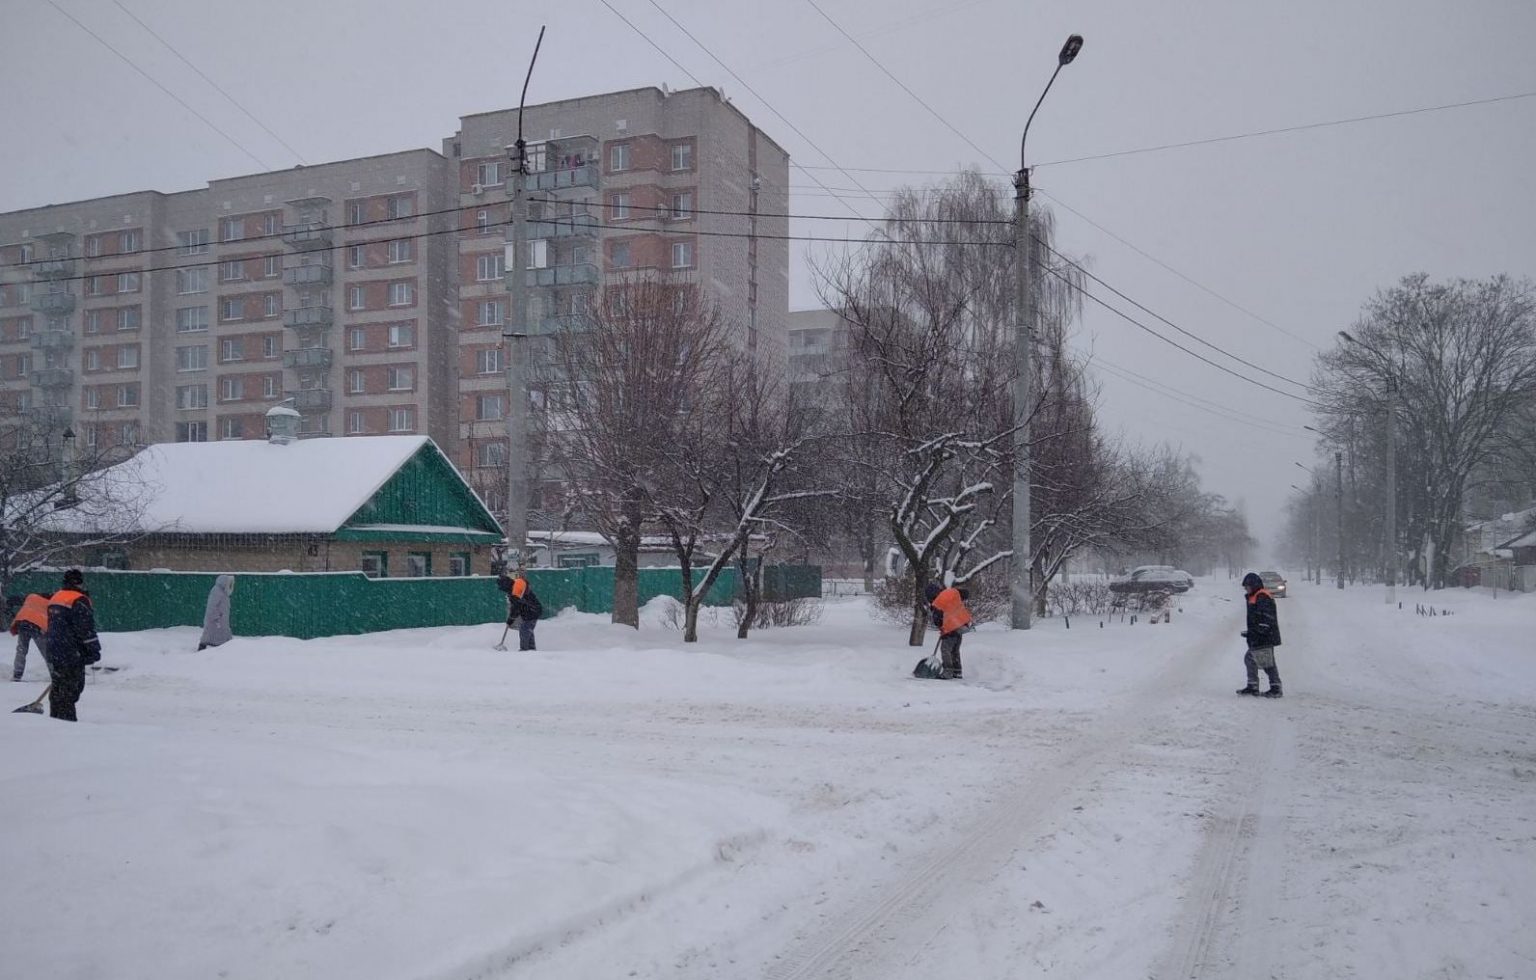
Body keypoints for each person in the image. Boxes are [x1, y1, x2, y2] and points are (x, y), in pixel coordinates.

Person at [45, 569, 102, 722]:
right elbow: (85, 628)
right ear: (79, 582)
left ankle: (55, 718)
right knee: (72, 689)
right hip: (71, 651)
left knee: (58, 685)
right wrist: (93, 649)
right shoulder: (79, 600)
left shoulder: (56, 597)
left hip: (53, 649)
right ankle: (66, 723)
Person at [1237, 571, 1283, 698]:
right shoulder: (1255, 595)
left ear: (1254, 585)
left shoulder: (1262, 596)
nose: (1246, 589)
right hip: (1260, 636)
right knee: (1265, 662)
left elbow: (1266, 617)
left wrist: (1261, 630)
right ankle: (1272, 687)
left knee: (1258, 660)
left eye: (1247, 586)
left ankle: (1263, 687)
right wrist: (1251, 632)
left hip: (1264, 637)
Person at [929, 580, 973, 681]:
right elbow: (964, 593)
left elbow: (938, 621)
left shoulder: (937, 603)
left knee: (945, 650)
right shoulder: (949, 595)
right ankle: (957, 671)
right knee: (954, 650)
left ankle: (948, 672)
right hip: (961, 625)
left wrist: (943, 630)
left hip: (951, 628)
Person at [497, 569, 542, 651]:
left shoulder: (517, 587)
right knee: (528, 630)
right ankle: (531, 650)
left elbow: (516, 606)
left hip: (532, 610)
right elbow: (515, 605)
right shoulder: (513, 588)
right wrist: (511, 618)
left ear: (506, 585)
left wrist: (511, 618)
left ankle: (524, 650)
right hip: (530, 610)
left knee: (524, 629)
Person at [9, 592, 51, 681]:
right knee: (46, 651)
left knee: (21, 649)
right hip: (37, 626)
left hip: (23, 623)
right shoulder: (49, 604)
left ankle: (17, 674)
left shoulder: (31, 597)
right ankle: (55, 672)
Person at [198, 575, 235, 651]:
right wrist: (216, 617)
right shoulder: (217, 592)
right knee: (210, 634)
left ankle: (222, 650)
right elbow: (211, 607)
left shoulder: (223, 592)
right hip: (216, 620)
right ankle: (203, 649)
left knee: (220, 635)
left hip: (221, 620)